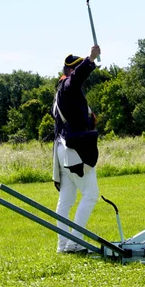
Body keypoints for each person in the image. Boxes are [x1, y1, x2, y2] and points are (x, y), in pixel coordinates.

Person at [52, 45, 101, 253]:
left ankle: (63, 245)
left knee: (67, 200)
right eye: (77, 67)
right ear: (70, 70)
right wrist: (90, 59)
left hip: (62, 149)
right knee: (90, 194)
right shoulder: (67, 87)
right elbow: (77, 79)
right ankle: (75, 243)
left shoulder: (61, 93)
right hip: (73, 150)